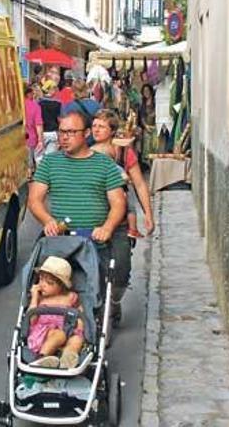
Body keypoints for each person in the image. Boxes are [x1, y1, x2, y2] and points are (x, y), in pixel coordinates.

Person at [28, 112, 128, 321]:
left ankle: (100, 314)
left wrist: (107, 228)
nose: (64, 137)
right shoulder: (49, 163)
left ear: (86, 133)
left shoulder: (104, 165)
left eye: (71, 132)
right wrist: (48, 221)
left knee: (101, 281)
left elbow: (118, 202)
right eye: (62, 132)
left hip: (94, 239)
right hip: (62, 239)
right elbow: (35, 200)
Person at [91, 109, 155, 239]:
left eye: (101, 127)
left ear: (112, 131)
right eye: (94, 126)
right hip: (94, 217)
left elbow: (140, 184)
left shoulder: (124, 152)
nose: (96, 130)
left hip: (120, 220)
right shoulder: (86, 151)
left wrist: (148, 214)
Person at [28, 256, 85, 369]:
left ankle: (66, 360)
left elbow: (80, 313)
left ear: (61, 286)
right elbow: (31, 319)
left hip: (67, 330)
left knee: (77, 340)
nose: (42, 284)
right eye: (41, 279)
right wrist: (34, 297)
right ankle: (41, 358)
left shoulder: (70, 297)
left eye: (49, 283)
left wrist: (80, 328)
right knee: (58, 334)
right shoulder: (40, 299)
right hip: (44, 334)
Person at [38, 79, 62, 159]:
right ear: (50, 90)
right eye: (54, 88)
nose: (55, 90)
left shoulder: (38, 103)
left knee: (39, 159)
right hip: (53, 132)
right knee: (51, 158)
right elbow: (59, 120)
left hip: (41, 133)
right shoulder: (57, 104)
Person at [25, 83, 44, 172]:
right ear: (29, 94)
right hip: (31, 139)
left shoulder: (17, 105)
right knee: (30, 166)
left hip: (17, 139)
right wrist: (40, 140)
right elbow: (38, 125)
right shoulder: (35, 106)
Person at [138, 83, 158, 163]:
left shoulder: (156, 101)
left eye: (147, 90)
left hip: (155, 127)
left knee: (154, 147)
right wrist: (146, 126)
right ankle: (149, 165)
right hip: (147, 128)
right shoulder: (142, 104)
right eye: (144, 91)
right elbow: (142, 117)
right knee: (147, 148)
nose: (146, 92)